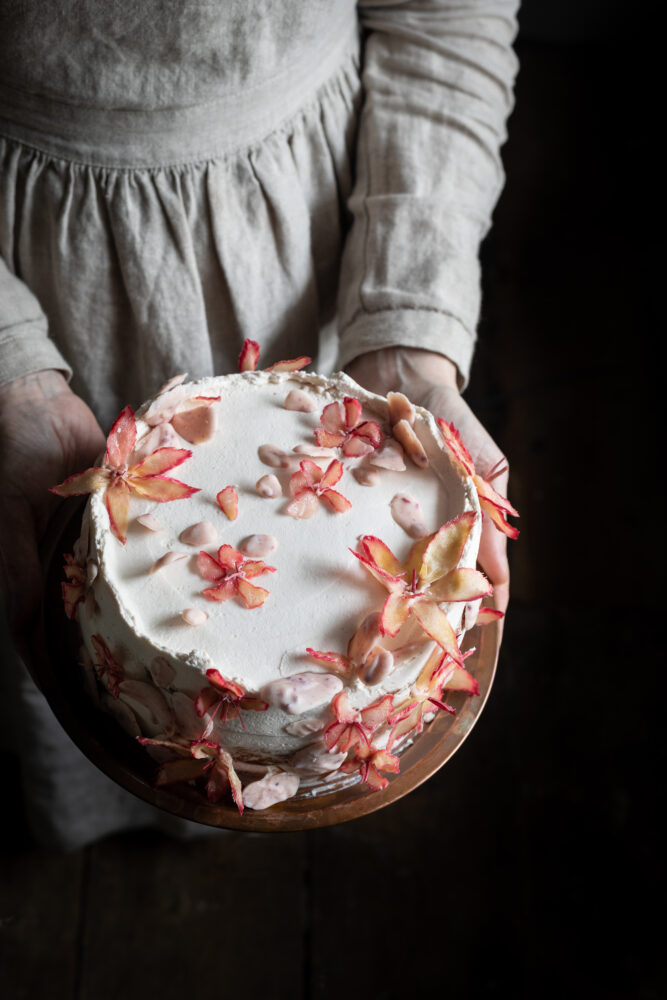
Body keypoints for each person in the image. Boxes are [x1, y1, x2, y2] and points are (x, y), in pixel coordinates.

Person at [0, 1, 519, 848]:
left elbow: (445, 17)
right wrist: (10, 377)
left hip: (315, 222)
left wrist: (406, 336)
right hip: (28, 251)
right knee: (51, 570)